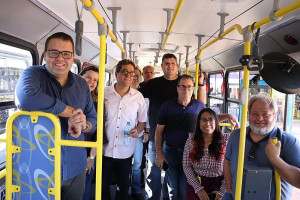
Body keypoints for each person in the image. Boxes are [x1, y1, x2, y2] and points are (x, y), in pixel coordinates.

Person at [15, 32, 97, 200]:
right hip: (40, 168)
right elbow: (26, 97)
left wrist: (83, 124)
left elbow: (92, 120)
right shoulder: (33, 74)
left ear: (73, 57)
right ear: (45, 55)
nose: (60, 58)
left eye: (66, 54)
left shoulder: (81, 84)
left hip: (76, 167)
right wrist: (70, 112)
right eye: (54, 52)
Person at [155, 75, 237, 200]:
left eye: (189, 86)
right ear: (177, 88)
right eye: (182, 86)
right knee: (173, 187)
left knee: (183, 188)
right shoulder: (166, 107)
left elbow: (209, 119)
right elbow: (159, 131)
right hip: (171, 151)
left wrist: (228, 116)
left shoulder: (199, 106)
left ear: (193, 89)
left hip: (192, 152)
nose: (186, 89)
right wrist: (159, 153)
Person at [139, 53, 206, 200]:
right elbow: (137, 97)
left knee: (174, 180)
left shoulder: (185, 84)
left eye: (172, 63)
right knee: (154, 173)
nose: (170, 66)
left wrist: (201, 84)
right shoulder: (153, 84)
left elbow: (201, 109)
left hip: (178, 141)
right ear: (162, 66)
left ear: (177, 66)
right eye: (166, 63)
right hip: (157, 136)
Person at [223, 92, 300, 200]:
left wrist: (275, 159)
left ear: (274, 115)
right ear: (249, 114)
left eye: (266, 114)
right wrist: (229, 190)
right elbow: (227, 162)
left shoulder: (287, 142)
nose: (259, 118)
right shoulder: (236, 136)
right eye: (254, 113)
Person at [102, 59, 147, 200]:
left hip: (125, 149)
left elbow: (142, 121)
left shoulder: (138, 97)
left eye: (131, 73)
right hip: (105, 147)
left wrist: (138, 131)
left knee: (123, 185)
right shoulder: (104, 93)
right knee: (102, 184)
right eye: (124, 72)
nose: (128, 76)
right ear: (116, 74)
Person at [183, 108, 230, 200]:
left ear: (216, 122)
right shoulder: (191, 141)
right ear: (199, 123)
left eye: (210, 119)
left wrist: (221, 192)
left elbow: (231, 169)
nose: (207, 123)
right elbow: (186, 166)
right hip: (197, 182)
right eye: (203, 120)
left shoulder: (226, 141)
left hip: (220, 184)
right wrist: (199, 189)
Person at [79, 65, 108, 200]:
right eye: (88, 78)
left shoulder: (98, 103)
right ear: (80, 77)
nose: (92, 82)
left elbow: (99, 133)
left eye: (95, 80)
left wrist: (91, 158)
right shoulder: (70, 98)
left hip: (88, 151)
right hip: (68, 148)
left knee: (84, 189)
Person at [130, 67, 149, 200]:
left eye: (138, 75)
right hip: (122, 134)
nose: (135, 78)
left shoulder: (144, 97)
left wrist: (146, 131)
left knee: (137, 164)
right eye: (133, 75)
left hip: (138, 134)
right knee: (123, 163)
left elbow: (146, 116)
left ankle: (136, 189)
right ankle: (123, 186)